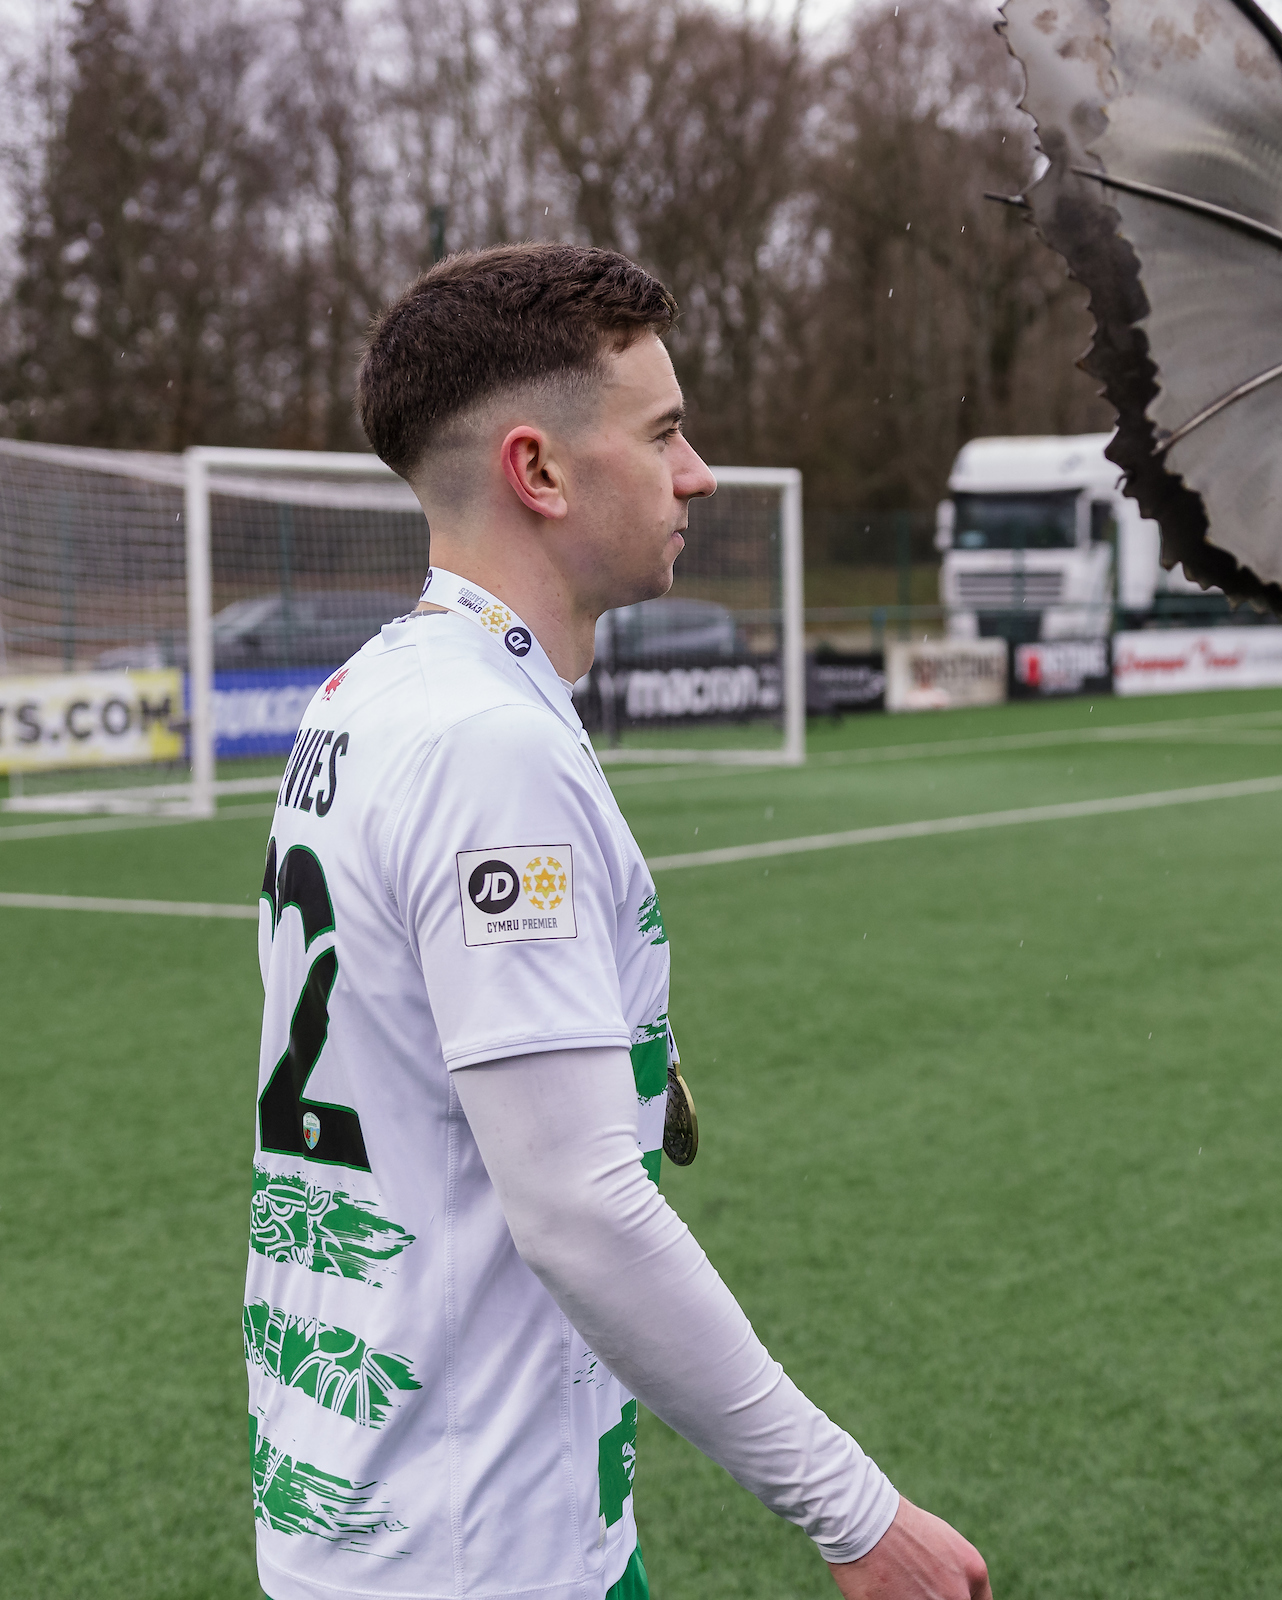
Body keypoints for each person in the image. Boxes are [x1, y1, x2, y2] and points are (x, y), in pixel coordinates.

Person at [246, 242, 991, 1600]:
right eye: (662, 434)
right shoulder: (488, 747)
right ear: (539, 472)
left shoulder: (369, 693)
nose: (697, 472)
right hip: (480, 1545)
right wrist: (856, 1513)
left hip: (383, 1498)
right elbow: (580, 1207)